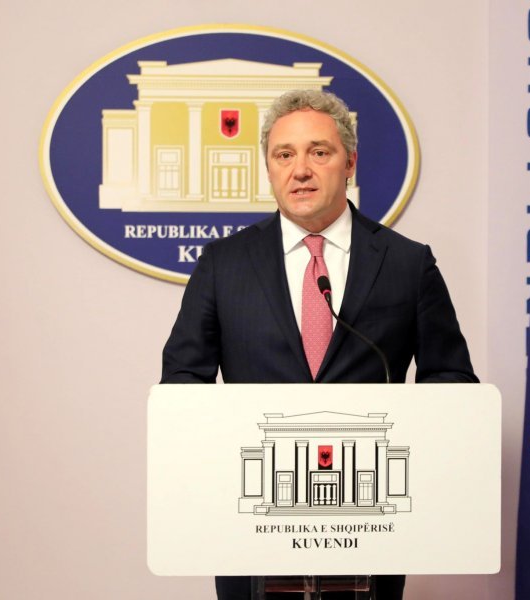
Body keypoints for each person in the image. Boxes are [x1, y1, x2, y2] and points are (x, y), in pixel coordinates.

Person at [161, 89, 478, 599]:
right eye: (284, 155)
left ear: (349, 163)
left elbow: (452, 378)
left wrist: (410, 446)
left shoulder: (407, 263)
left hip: (368, 520)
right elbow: (182, 382)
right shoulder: (223, 264)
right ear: (269, 168)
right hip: (255, 520)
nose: (300, 170)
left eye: (319, 152)